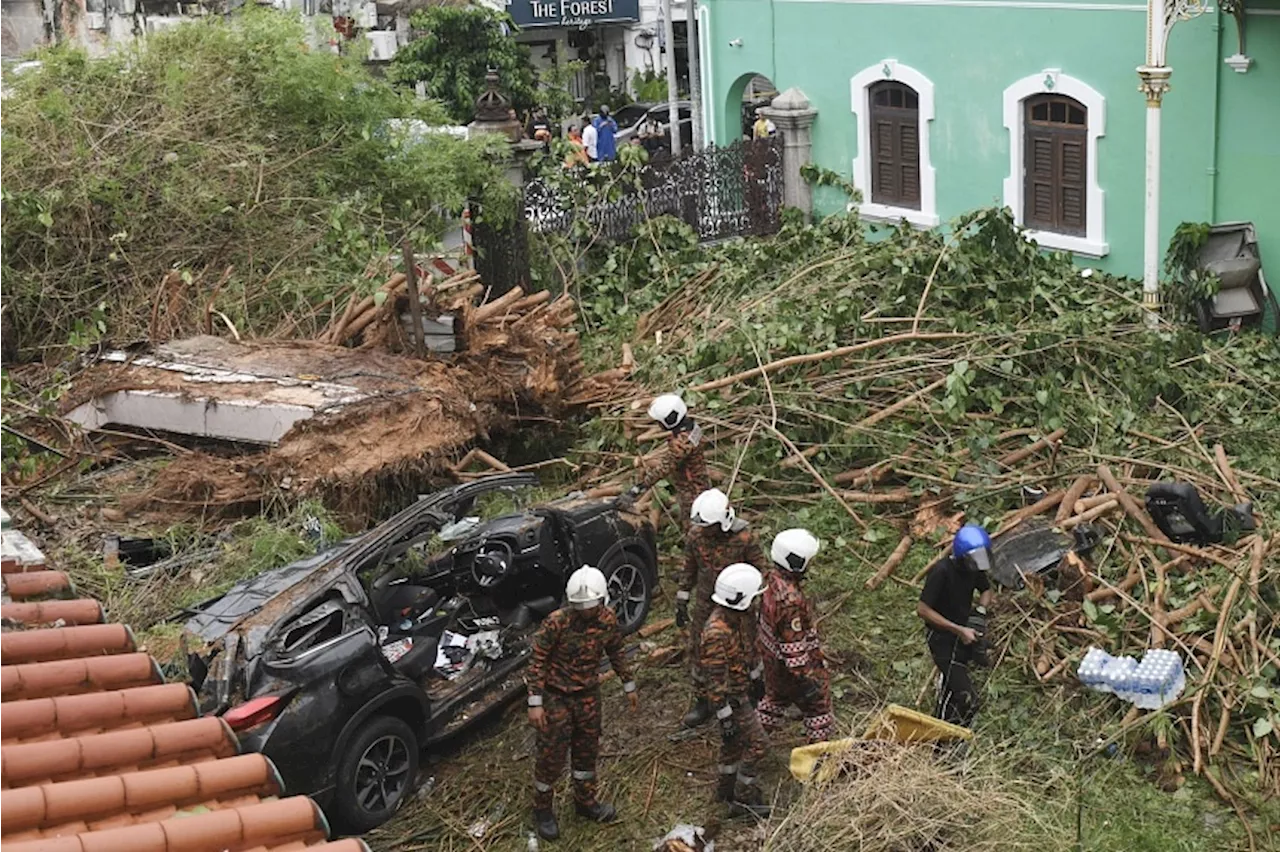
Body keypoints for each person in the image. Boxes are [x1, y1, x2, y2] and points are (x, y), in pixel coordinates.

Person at [527, 566, 639, 841]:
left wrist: (628, 683)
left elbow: (615, 649)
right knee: (551, 756)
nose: (585, 612)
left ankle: (585, 802)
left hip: (588, 694)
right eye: (580, 607)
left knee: (586, 752)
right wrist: (535, 702)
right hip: (556, 696)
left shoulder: (608, 619)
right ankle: (542, 810)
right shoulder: (556, 622)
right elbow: (537, 661)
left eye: (590, 607)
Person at [677, 488, 766, 729]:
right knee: (698, 649)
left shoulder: (744, 538)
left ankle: (754, 693)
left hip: (740, 606)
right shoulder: (696, 536)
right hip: (707, 603)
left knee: (747, 646)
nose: (705, 530)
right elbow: (689, 568)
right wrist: (682, 598)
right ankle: (703, 700)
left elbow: (761, 571)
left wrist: (760, 601)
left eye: (709, 526)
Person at [700, 562, 770, 818]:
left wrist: (756, 679)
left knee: (732, 748)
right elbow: (715, 680)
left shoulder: (738, 620)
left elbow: (747, 652)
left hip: (741, 692)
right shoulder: (716, 633)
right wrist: (725, 716)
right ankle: (743, 799)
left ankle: (725, 789)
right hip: (732, 700)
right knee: (760, 745)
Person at [757, 528, 835, 743]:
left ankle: (751, 744)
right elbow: (793, 646)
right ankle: (820, 756)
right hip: (790, 667)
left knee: (774, 700)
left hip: (771, 659)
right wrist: (807, 680)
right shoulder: (790, 601)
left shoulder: (770, 580)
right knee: (819, 708)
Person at [917, 524, 994, 728]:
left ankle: (941, 732)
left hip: (962, 636)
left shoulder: (973, 567)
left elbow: (986, 590)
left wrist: (980, 611)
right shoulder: (942, 571)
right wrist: (958, 629)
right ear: (961, 556)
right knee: (967, 699)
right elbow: (923, 609)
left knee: (953, 692)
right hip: (942, 640)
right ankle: (952, 740)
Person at [620, 394, 710, 534]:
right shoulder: (691, 427)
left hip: (692, 491)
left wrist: (639, 488)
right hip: (701, 484)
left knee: (694, 531)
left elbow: (664, 468)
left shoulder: (680, 442)